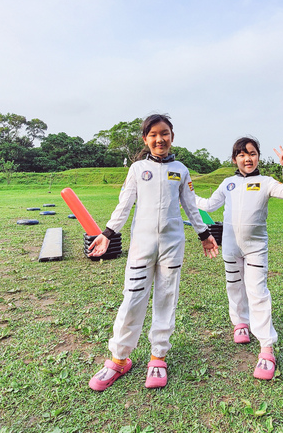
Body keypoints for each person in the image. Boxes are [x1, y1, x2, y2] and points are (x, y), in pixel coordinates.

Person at [87, 114, 219, 391]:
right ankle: (119, 359)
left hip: (172, 247)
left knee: (166, 300)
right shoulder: (137, 169)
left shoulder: (181, 170)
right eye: (154, 135)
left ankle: (158, 356)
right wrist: (107, 234)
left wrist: (205, 235)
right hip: (141, 247)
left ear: (172, 136)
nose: (160, 139)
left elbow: (191, 206)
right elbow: (125, 204)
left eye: (165, 133)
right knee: (132, 299)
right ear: (145, 139)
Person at [195, 137, 283, 380]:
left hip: (255, 248)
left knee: (257, 292)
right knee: (234, 287)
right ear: (234, 159)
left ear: (258, 157)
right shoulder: (228, 183)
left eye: (251, 153)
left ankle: (266, 348)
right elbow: (208, 205)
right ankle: (240, 323)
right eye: (241, 154)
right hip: (230, 248)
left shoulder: (266, 182)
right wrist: (187, 195)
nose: (247, 158)